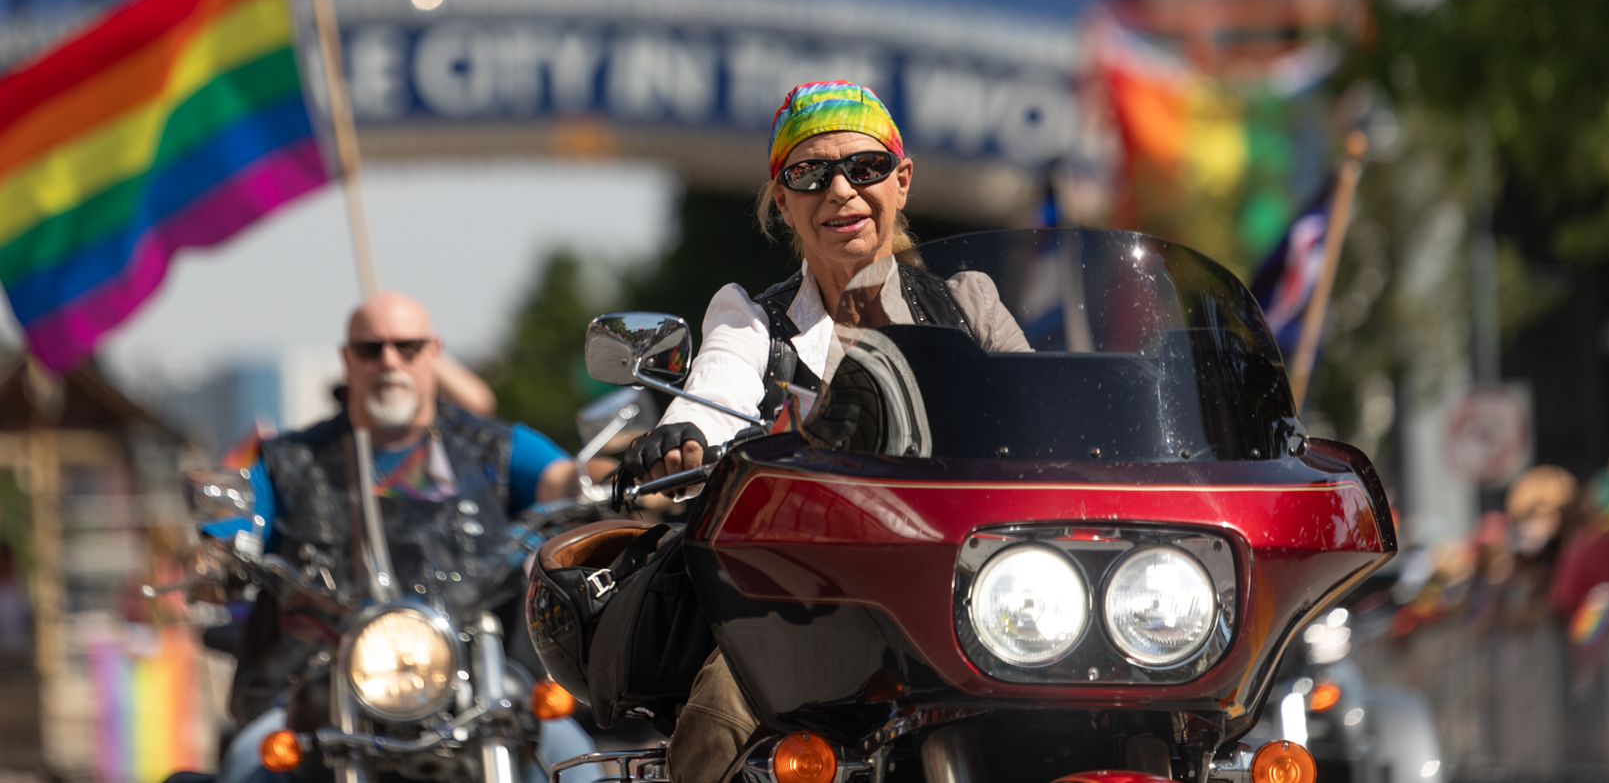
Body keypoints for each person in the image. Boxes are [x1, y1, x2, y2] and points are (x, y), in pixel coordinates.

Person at [619, 79, 1028, 783]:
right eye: (810, 173)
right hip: (808, 605)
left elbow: (1043, 413)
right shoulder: (752, 320)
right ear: (783, 200)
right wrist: (683, 431)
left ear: (901, 183)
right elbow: (715, 391)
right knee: (717, 715)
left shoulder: (968, 303)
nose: (840, 190)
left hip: (979, 593)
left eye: (864, 169)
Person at [226, 291, 579, 727]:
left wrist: (628, 468)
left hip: (479, 681)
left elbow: (567, 477)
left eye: (407, 347)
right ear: (347, 358)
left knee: (572, 757)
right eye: (371, 348)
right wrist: (214, 552)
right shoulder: (287, 459)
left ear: (434, 353)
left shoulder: (493, 446)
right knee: (247, 763)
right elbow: (232, 519)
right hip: (311, 684)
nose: (389, 361)